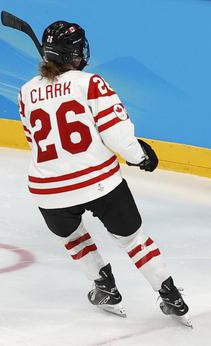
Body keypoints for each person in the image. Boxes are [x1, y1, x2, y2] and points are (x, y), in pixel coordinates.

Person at [17, 21, 191, 326]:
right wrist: (140, 156)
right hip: (99, 182)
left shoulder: (26, 92)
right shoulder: (90, 83)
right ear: (73, 54)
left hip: (49, 190)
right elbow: (116, 134)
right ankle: (170, 293)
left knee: (74, 236)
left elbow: (33, 139)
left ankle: (104, 286)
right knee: (134, 240)